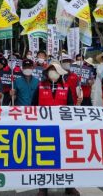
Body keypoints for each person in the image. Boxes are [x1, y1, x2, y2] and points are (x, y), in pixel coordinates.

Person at [32, 61, 78, 196]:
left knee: (66, 157)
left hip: (62, 128)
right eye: (51, 70)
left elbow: (70, 107)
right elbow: (33, 106)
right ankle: (43, 187)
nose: (53, 73)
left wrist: (77, 105)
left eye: (56, 71)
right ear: (46, 73)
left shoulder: (66, 87)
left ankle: (69, 185)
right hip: (44, 128)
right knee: (45, 157)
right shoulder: (40, 86)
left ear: (60, 74)